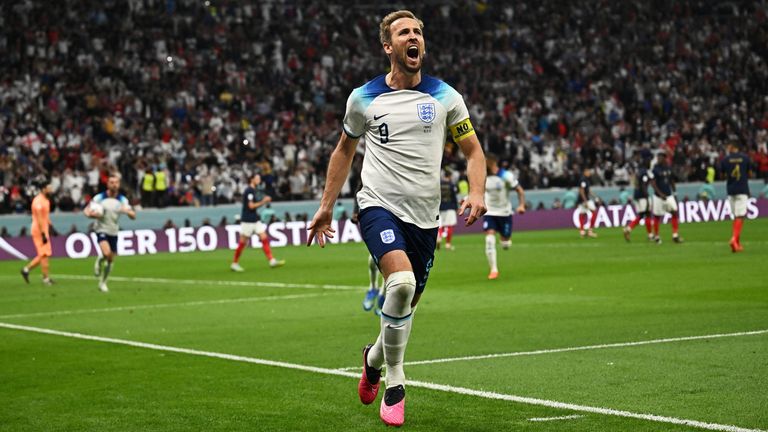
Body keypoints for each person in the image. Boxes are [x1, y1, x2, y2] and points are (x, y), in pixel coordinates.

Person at [306, 10, 487, 427]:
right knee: (400, 284)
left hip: (425, 219)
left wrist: (476, 190)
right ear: (388, 46)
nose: (414, 37)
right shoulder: (363, 98)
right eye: (404, 32)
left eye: (419, 32)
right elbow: (343, 151)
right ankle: (396, 381)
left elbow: (474, 152)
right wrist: (327, 204)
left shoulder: (445, 97)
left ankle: (372, 360)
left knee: (404, 302)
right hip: (377, 205)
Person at [84, 173, 137, 292]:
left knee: (110, 259)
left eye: (116, 183)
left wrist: (128, 212)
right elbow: (86, 210)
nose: (114, 185)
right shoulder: (99, 198)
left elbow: (134, 216)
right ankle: (101, 259)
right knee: (107, 253)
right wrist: (90, 214)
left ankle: (103, 282)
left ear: (119, 184)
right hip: (101, 229)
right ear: (107, 184)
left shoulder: (123, 200)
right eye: (112, 182)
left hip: (114, 231)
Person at [483, 154, 525, 280]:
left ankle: (505, 240)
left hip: (505, 213)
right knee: (489, 239)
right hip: (490, 212)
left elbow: (520, 190)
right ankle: (494, 269)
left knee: (505, 244)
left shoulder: (506, 176)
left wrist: (522, 205)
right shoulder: (482, 177)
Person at [230, 173, 285, 272]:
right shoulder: (249, 191)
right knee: (243, 243)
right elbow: (251, 206)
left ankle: (271, 260)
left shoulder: (253, 191)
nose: (259, 180)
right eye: (257, 178)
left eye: (259, 178)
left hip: (255, 219)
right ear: (252, 180)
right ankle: (234, 263)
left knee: (264, 238)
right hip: (248, 220)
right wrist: (264, 201)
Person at [20, 179, 55, 285]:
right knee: (44, 254)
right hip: (39, 230)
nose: (51, 190)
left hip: (44, 229)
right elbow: (39, 218)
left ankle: (26, 270)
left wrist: (51, 226)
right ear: (43, 189)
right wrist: (43, 233)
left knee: (44, 254)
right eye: (49, 188)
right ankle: (45, 279)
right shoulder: (38, 201)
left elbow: (45, 217)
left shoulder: (46, 200)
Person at [720, 141, 751, 252]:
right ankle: (734, 239)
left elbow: (722, 176)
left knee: (736, 216)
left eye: (728, 146)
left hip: (731, 190)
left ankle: (737, 243)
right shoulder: (746, 158)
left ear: (733, 147)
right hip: (742, 189)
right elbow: (750, 174)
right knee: (740, 216)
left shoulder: (725, 159)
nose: (727, 148)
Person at [650, 151, 683, 244]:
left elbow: (672, 181)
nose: (658, 159)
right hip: (658, 197)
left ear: (665, 158)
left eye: (660, 157)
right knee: (657, 216)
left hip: (668, 195)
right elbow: (653, 183)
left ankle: (675, 235)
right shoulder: (655, 169)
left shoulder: (668, 168)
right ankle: (656, 236)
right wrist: (660, 194)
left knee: (674, 212)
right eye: (658, 157)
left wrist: (675, 193)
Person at [623, 161, 654, 242]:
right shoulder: (645, 173)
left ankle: (628, 228)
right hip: (642, 195)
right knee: (647, 214)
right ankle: (650, 235)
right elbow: (643, 185)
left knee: (641, 215)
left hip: (636, 194)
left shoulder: (639, 172)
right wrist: (647, 196)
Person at [436, 168, 459, 251]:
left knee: (440, 225)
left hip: (440, 207)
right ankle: (448, 244)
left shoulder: (439, 184)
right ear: (450, 176)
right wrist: (456, 207)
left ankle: (439, 236)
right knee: (449, 225)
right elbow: (454, 197)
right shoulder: (451, 185)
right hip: (450, 207)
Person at [576, 167, 599, 238]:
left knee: (582, 215)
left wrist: (595, 196)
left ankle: (582, 231)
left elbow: (588, 190)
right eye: (588, 172)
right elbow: (581, 191)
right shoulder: (583, 180)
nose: (589, 173)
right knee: (594, 212)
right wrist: (585, 201)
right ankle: (590, 231)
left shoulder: (586, 180)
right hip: (584, 200)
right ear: (585, 172)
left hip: (583, 200)